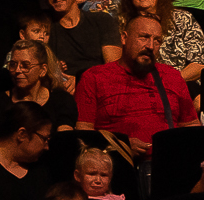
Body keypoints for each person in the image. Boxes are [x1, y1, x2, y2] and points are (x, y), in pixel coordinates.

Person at [73, 13, 197, 159]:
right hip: (116, 165)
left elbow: (191, 127)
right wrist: (120, 145)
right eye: (144, 37)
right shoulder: (94, 77)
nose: (151, 46)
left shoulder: (172, 77)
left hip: (167, 164)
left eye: (157, 40)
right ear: (124, 38)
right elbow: (83, 133)